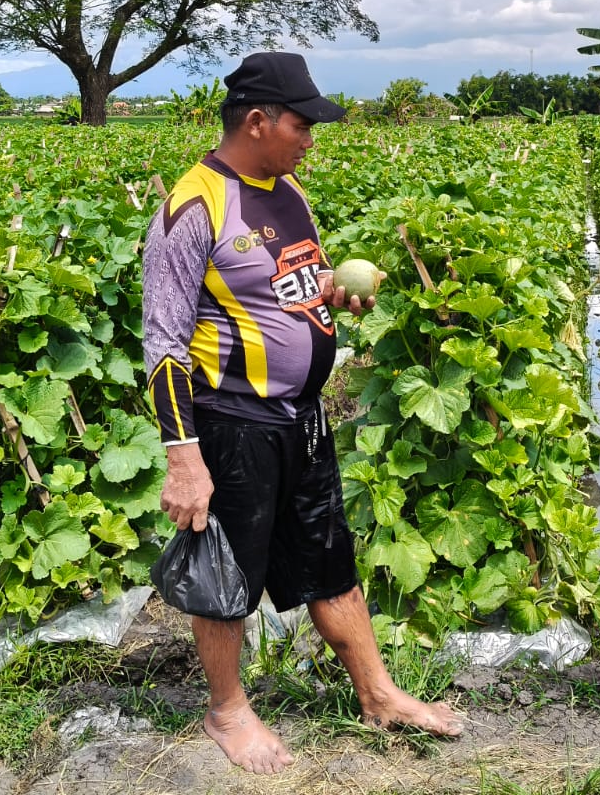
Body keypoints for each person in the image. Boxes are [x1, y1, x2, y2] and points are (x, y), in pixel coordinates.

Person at [142, 50, 463, 774]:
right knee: (226, 568)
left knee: (327, 554)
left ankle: (377, 692)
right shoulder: (193, 206)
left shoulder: (286, 190)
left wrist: (331, 293)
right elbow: (162, 343)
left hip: (302, 418)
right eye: (302, 124)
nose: (311, 139)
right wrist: (183, 456)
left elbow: (290, 282)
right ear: (257, 122)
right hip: (231, 422)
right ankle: (227, 711)